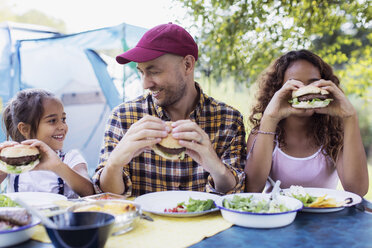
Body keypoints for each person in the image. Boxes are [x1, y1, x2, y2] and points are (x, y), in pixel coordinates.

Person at [93, 23, 246, 197]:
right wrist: (114, 163)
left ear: (187, 65)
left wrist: (216, 166)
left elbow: (236, 195)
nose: (145, 84)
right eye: (141, 72)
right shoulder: (123, 117)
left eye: (154, 71)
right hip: (144, 224)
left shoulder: (228, 120)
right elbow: (107, 197)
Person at [244, 49, 369, 196]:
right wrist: (270, 118)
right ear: (277, 91)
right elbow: (252, 190)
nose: (306, 91)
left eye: (313, 83)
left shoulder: (334, 133)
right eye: (295, 85)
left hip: (325, 215)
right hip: (278, 215)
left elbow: (357, 190)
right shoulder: (263, 131)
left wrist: (350, 117)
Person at [0, 89, 94, 198]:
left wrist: (58, 166)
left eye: (63, 119)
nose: (62, 126)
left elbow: (90, 192)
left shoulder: (71, 159)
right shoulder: (12, 162)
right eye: (52, 121)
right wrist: (2, 166)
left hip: (61, 215)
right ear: (25, 129)